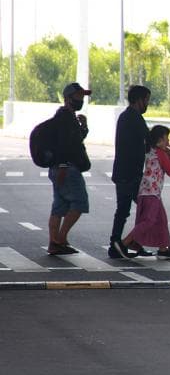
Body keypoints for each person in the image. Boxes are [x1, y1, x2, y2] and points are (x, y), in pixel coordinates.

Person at [115, 125, 170, 259]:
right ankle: (124, 243)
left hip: (149, 192)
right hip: (151, 193)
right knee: (149, 221)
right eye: (166, 139)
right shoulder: (160, 153)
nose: (168, 142)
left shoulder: (152, 150)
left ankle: (163, 248)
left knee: (162, 220)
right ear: (159, 140)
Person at [47, 83, 92, 255]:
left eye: (82, 97)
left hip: (59, 167)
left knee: (59, 206)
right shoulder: (65, 118)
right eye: (78, 97)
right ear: (67, 99)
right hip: (66, 167)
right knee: (80, 202)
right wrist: (64, 166)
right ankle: (60, 239)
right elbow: (65, 145)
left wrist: (83, 127)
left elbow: (75, 141)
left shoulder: (67, 117)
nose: (80, 100)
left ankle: (54, 243)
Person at [109, 85, 152, 259]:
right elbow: (150, 141)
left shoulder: (127, 116)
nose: (147, 103)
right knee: (148, 209)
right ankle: (120, 244)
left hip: (125, 172)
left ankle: (126, 242)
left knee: (127, 210)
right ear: (139, 100)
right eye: (146, 100)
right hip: (129, 174)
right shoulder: (133, 118)